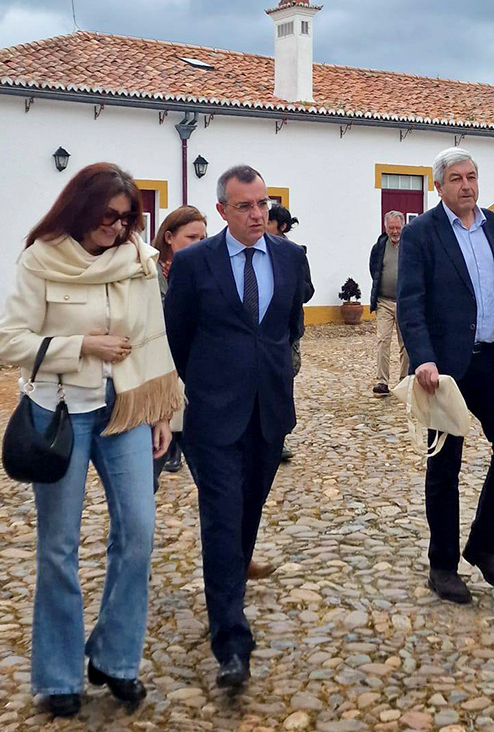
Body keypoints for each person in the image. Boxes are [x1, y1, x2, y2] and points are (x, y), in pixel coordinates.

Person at [0, 163, 183, 718]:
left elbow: (152, 338)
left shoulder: (138, 261)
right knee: (59, 546)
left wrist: (161, 410)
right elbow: (10, 339)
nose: (116, 226)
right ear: (79, 208)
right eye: (108, 215)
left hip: (125, 410)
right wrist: (82, 346)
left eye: (126, 218)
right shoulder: (41, 259)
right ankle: (58, 675)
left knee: (139, 534)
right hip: (60, 414)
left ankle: (115, 657)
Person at [164, 164, 307, 689]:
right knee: (222, 518)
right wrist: (196, 394)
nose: (256, 214)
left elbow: (288, 326)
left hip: (269, 411)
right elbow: (177, 337)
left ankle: (231, 589)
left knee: (247, 513)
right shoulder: (195, 263)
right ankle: (230, 640)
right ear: (222, 210)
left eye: (262, 204)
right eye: (244, 206)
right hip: (212, 415)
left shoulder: (290, 257)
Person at [398, 147, 494, 605]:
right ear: (439, 186)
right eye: (456, 178)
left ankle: (483, 545)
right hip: (445, 369)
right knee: (444, 466)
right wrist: (423, 357)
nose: (466, 185)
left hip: (493, 358)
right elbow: (410, 301)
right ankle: (443, 566)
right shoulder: (421, 233)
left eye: (471, 176)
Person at [151, 205, 207, 482]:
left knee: (208, 476)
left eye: (203, 238)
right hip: (154, 379)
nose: (199, 244)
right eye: (191, 237)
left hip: (191, 378)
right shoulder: (148, 274)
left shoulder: (207, 273)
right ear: (169, 237)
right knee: (144, 481)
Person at [266, 204, 315, 463]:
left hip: (286, 331)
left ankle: (281, 435)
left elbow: (308, 290)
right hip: (260, 330)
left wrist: (288, 289)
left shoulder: (294, 254)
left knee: (284, 381)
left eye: (269, 221)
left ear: (282, 227)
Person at [368, 211, 410, 395]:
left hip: (405, 302)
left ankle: (405, 380)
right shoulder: (379, 247)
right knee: (383, 341)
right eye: (391, 228)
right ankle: (382, 381)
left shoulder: (410, 245)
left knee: (406, 343)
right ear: (385, 228)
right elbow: (374, 269)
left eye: (397, 227)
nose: (394, 231)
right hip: (384, 301)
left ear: (403, 226)